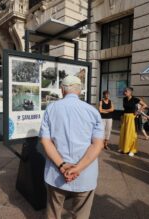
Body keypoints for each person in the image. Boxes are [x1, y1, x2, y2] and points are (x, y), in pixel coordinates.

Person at [40, 75, 104, 219]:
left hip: (56, 172)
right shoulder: (93, 111)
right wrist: (78, 168)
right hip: (85, 173)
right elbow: (97, 144)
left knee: (53, 212)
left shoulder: (51, 109)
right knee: (81, 214)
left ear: (62, 90)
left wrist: (62, 165)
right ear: (80, 91)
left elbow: (45, 141)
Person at [119, 87, 147, 157]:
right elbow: (125, 109)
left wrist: (138, 111)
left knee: (131, 134)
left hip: (131, 117)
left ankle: (132, 150)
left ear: (130, 92)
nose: (124, 92)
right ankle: (124, 148)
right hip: (125, 117)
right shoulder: (124, 99)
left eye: (126, 91)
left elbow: (145, 105)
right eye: (124, 91)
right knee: (124, 133)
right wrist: (122, 117)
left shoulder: (135, 99)